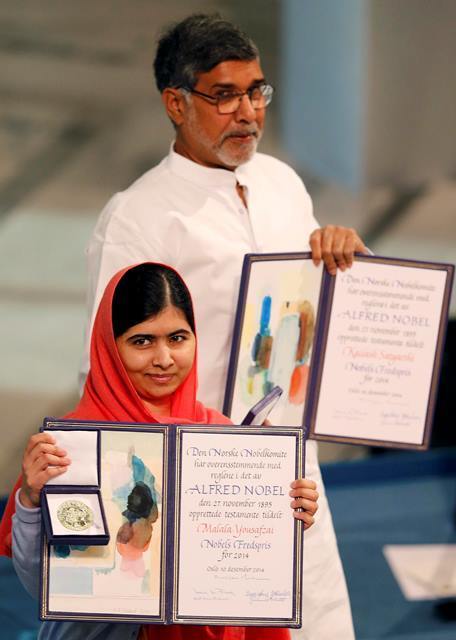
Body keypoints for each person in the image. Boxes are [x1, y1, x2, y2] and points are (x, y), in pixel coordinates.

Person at [82, 14, 367, 639]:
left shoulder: (282, 184)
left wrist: (342, 260)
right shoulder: (138, 219)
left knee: (316, 622)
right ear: (176, 103)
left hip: (296, 470)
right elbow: (105, 374)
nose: (248, 113)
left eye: (257, 91)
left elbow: (315, 319)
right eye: (225, 95)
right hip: (206, 484)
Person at [0, 262, 318, 640]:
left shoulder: (223, 437)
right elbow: (47, 587)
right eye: (142, 341)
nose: (164, 358)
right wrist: (31, 502)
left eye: (178, 338)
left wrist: (284, 511)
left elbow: (248, 573)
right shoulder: (71, 447)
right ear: (109, 346)